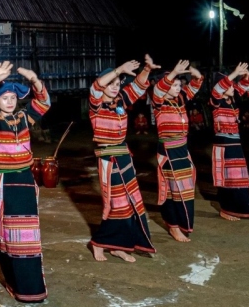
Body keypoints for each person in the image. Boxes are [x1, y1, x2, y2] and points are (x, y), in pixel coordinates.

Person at [0, 60, 51, 302]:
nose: (9, 101)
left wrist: (34, 79)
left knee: (28, 237)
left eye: (13, 97)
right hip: (6, 184)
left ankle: (32, 289)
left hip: (26, 181)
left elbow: (44, 103)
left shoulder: (24, 118)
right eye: (4, 97)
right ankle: (14, 283)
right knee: (8, 238)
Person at [87, 55, 158, 259]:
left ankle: (118, 246)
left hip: (124, 157)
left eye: (117, 84)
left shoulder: (120, 101)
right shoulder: (95, 104)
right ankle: (99, 242)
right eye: (111, 83)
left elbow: (138, 87)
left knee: (129, 202)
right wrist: (118, 70)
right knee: (116, 203)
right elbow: (95, 87)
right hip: (109, 159)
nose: (114, 87)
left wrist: (147, 70)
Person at [151, 59, 205, 242]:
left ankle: (181, 224)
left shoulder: (179, 99)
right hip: (168, 150)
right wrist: (173, 73)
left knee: (185, 189)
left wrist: (195, 74)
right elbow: (158, 89)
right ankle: (173, 226)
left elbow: (195, 85)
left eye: (179, 85)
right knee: (171, 190)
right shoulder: (158, 102)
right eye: (174, 85)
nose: (178, 88)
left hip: (182, 149)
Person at [209, 62, 249, 220]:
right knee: (227, 178)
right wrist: (235, 73)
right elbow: (218, 90)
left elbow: (245, 87)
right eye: (229, 85)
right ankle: (226, 209)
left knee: (239, 177)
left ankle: (239, 209)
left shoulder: (233, 100)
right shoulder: (215, 101)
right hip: (224, 144)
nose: (232, 87)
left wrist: (247, 76)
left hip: (235, 143)